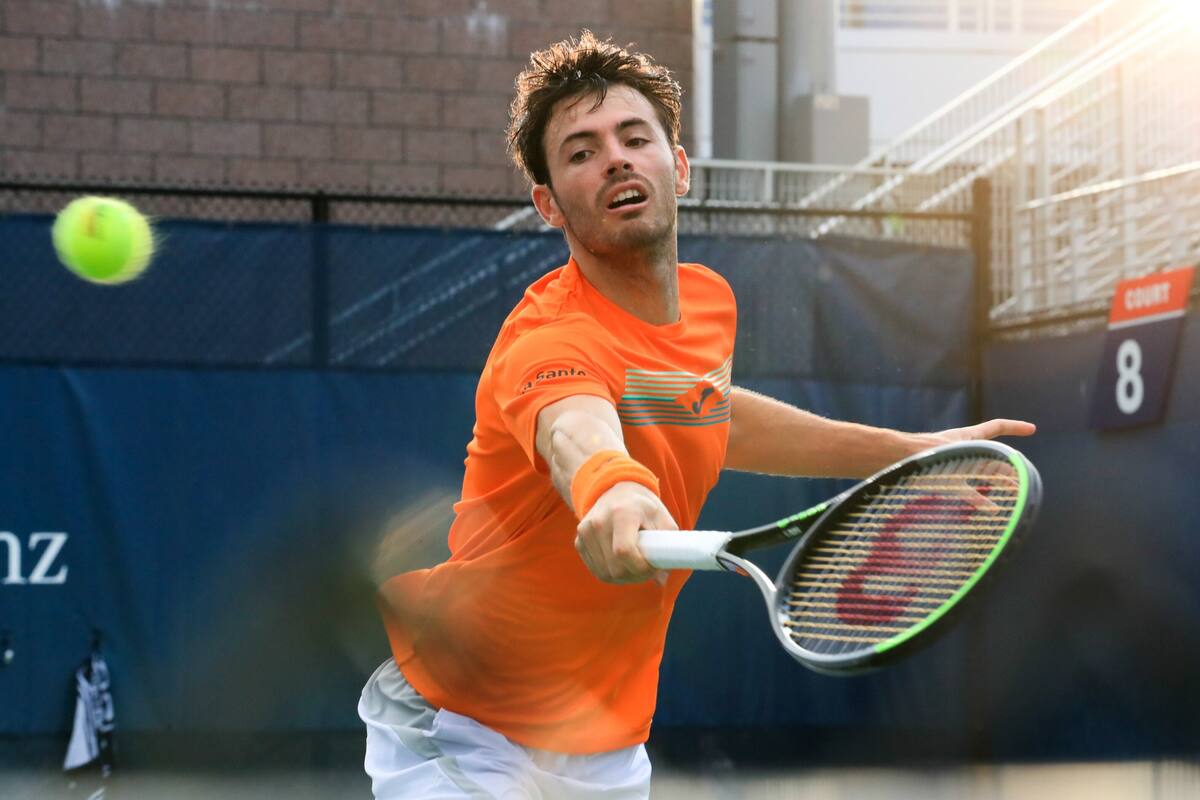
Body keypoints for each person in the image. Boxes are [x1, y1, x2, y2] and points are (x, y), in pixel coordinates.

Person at [358, 30, 1034, 799]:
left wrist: (906, 451)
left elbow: (708, 411)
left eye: (634, 138)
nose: (615, 158)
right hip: (461, 723)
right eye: (581, 152)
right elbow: (574, 427)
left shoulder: (709, 302)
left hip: (605, 739)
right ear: (548, 204)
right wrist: (614, 489)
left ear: (677, 166)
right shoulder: (549, 337)